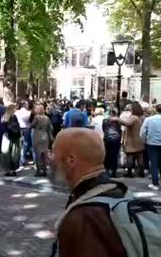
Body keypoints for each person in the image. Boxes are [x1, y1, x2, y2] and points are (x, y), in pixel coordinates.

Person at [49, 128, 127, 257]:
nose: (50, 158)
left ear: (71, 160)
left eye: (52, 151)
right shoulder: (120, 191)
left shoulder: (82, 218)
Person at [112, 102, 145, 178]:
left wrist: (118, 120)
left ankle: (129, 173)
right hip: (139, 140)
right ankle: (141, 172)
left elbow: (127, 123)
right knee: (140, 157)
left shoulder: (133, 117)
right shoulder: (141, 117)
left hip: (131, 140)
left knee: (130, 156)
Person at [140, 104, 161, 190]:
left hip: (152, 144)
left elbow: (143, 132)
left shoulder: (148, 119)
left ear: (155, 110)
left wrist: (144, 141)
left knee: (154, 163)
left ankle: (155, 183)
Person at [31, 105, 53, 177]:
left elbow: (32, 125)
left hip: (37, 136)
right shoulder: (47, 118)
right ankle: (44, 171)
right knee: (44, 154)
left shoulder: (37, 118)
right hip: (45, 136)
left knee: (38, 154)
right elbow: (50, 128)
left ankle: (38, 171)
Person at [0, 104, 21, 176]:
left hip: (6, 137)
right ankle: (13, 170)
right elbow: (17, 127)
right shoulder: (14, 117)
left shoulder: (4, 117)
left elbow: (2, 128)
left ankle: (7, 170)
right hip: (14, 137)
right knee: (14, 153)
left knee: (6, 154)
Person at [102, 109, 122, 177]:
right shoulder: (118, 121)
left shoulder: (105, 120)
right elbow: (120, 130)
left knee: (107, 155)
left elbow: (104, 129)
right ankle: (114, 171)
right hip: (116, 140)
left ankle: (107, 170)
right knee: (114, 155)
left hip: (107, 139)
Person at [15, 101, 32, 165]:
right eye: (27, 104)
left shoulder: (16, 112)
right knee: (25, 144)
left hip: (19, 128)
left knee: (19, 144)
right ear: (25, 105)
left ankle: (19, 158)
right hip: (26, 128)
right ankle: (23, 159)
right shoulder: (28, 113)